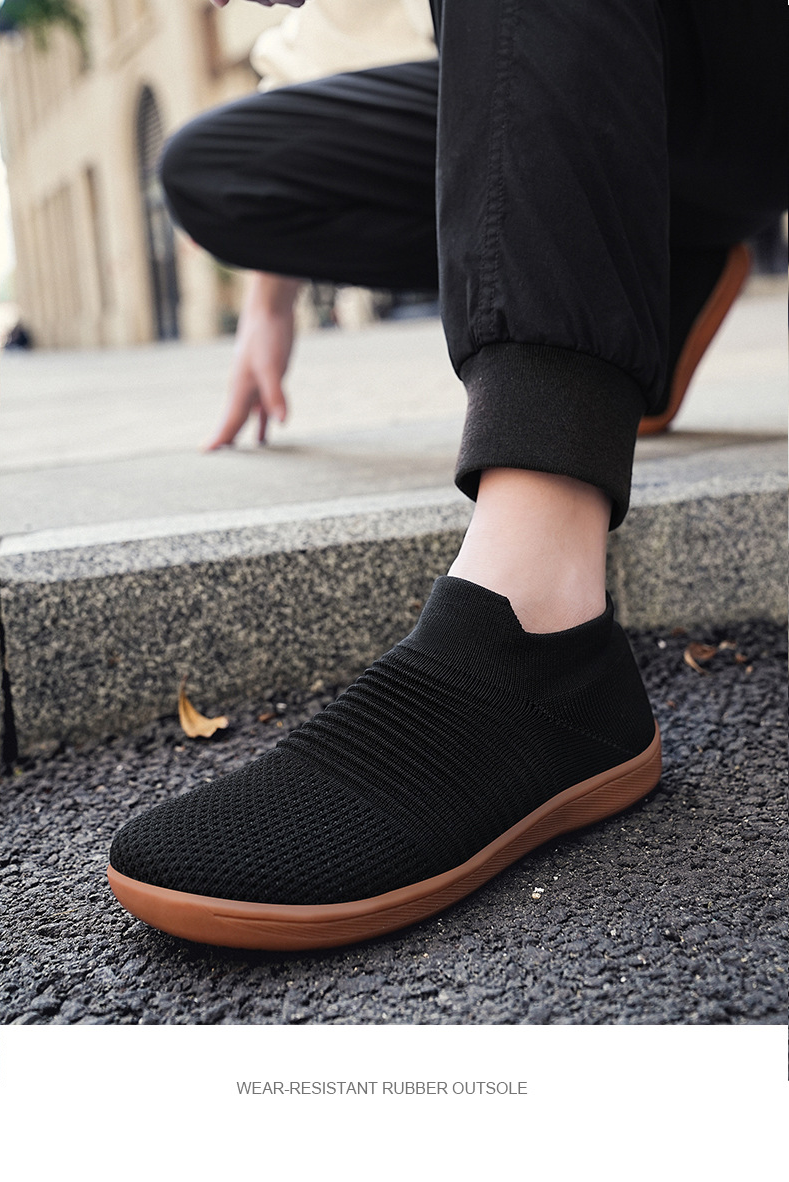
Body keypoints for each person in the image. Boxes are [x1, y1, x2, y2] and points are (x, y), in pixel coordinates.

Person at [107, 0, 786, 951]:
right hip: (567, 68)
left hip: (747, 72)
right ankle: (663, 262)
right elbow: (331, 40)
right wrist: (269, 304)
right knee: (217, 169)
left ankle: (541, 617)